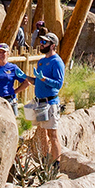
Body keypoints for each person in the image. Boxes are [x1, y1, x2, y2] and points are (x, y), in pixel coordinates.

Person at [29, 33, 66, 163]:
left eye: (45, 42)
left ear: (53, 45)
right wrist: (26, 77)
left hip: (50, 103)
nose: (42, 44)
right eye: (42, 41)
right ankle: (44, 162)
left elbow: (58, 84)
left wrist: (43, 78)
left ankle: (56, 165)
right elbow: (38, 82)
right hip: (39, 103)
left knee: (53, 135)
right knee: (42, 133)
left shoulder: (57, 62)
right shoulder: (41, 61)